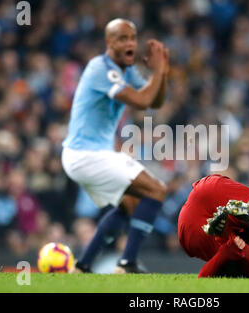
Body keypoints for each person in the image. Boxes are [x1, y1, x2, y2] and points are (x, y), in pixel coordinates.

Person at [62, 18, 170, 273]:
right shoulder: (101, 68)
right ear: (109, 42)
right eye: (123, 38)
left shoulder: (126, 70)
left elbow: (154, 102)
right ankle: (127, 263)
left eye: (132, 37)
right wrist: (158, 71)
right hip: (85, 155)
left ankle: (83, 266)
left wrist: (162, 72)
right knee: (156, 190)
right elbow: (142, 101)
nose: (130, 43)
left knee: (130, 205)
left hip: (92, 155)